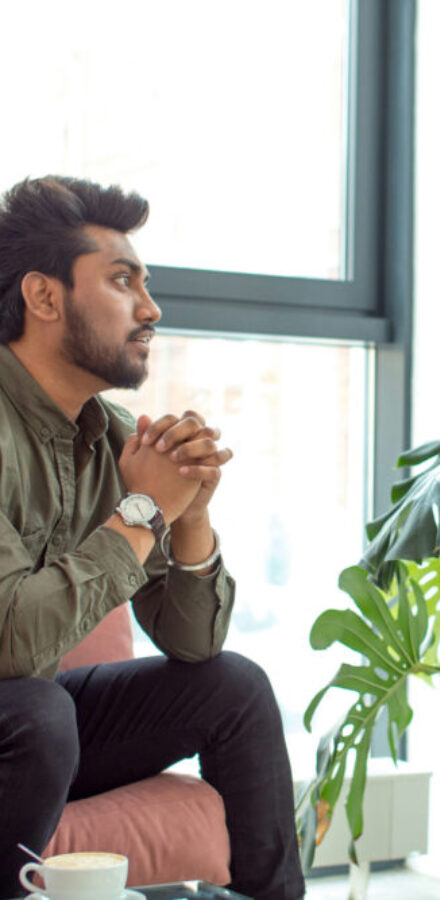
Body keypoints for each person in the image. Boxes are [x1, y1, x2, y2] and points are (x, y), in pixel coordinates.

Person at [0, 175, 305, 900]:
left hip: (28, 731)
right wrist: (140, 511)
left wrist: (188, 515)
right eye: (122, 282)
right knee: (41, 714)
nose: (151, 309)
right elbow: (12, 644)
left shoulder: (108, 437)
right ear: (44, 298)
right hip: (22, 723)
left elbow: (194, 645)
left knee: (233, 686)